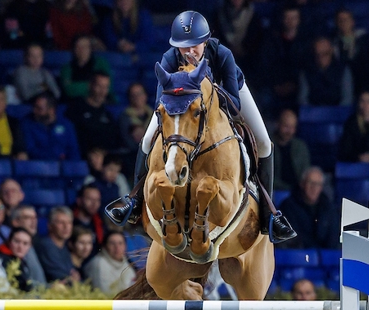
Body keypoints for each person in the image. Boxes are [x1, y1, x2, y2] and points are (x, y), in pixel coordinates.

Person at [105, 11, 293, 243]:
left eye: (195, 45)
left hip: (226, 95)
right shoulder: (170, 59)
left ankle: (269, 214)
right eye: (184, 47)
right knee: (146, 140)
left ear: (205, 41)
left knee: (264, 142)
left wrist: (206, 87)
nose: (190, 51)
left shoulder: (222, 54)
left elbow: (233, 104)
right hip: (180, 105)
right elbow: (159, 103)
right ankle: (134, 203)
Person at [277, 167, 339, 250]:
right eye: (311, 183)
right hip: (298, 257)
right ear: (302, 184)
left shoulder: (329, 207)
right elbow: (292, 238)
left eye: (318, 184)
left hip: (325, 257)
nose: (314, 188)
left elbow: (333, 238)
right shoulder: (288, 206)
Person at [64, 73, 119, 156]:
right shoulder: (76, 108)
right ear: (90, 85)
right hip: (82, 158)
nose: (102, 91)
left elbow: (114, 140)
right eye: (99, 86)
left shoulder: (108, 114)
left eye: (105, 87)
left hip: (105, 161)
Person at [298, 36, 353, 107]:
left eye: (325, 53)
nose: (321, 57)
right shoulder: (306, 71)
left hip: (339, 114)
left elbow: (347, 99)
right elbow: (303, 99)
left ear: (331, 51)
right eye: (318, 54)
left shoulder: (344, 70)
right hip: (312, 114)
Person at [22, 93, 79, 161]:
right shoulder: (27, 124)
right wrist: (55, 155)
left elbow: (73, 150)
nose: (34, 111)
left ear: (52, 110)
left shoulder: (66, 125)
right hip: (39, 166)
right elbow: (31, 150)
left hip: (64, 166)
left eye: (39, 109)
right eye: (34, 107)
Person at [60, 35, 112, 101]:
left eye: (85, 47)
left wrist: (79, 86)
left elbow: (108, 87)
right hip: (75, 103)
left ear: (90, 49)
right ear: (74, 49)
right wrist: (91, 86)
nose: (82, 50)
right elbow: (68, 90)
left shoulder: (101, 64)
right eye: (79, 47)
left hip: (100, 101)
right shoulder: (66, 68)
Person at [83, 230, 135, 295]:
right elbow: (103, 294)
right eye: (112, 243)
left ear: (125, 246)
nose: (117, 247)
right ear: (105, 246)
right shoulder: (98, 264)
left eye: (120, 243)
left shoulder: (125, 262)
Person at [34, 206, 77, 283]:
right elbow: (61, 277)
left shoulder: (64, 247)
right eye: (61, 222)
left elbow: (73, 274)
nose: (66, 226)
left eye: (69, 222)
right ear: (50, 226)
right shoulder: (46, 245)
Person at [0, 227, 34, 291]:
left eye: (25, 243)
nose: (20, 247)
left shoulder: (21, 261)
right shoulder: (3, 260)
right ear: (9, 242)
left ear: (29, 246)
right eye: (17, 241)